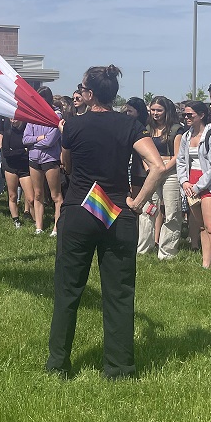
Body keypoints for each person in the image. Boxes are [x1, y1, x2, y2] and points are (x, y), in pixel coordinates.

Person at [46, 65, 165, 379]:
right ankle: (120, 368)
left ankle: (58, 364)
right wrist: (137, 203)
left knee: (68, 290)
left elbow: (66, 164)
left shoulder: (71, 126)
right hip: (117, 213)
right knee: (119, 293)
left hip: (78, 211)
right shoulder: (130, 124)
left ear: (88, 93)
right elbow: (157, 166)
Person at [177, 101, 211, 276]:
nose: (186, 117)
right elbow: (181, 162)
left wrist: (198, 186)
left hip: (209, 186)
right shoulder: (186, 136)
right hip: (191, 185)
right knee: (201, 227)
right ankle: (206, 263)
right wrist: (184, 182)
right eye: (184, 115)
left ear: (201, 115)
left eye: (189, 115)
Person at [137, 96, 182, 259]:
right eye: (153, 110)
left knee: (172, 211)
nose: (155, 113)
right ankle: (143, 248)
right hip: (152, 170)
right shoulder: (147, 128)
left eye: (159, 110)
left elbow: (178, 156)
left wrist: (162, 169)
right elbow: (143, 152)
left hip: (170, 171)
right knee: (147, 209)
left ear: (166, 111)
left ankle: (167, 252)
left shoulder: (177, 129)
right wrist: (148, 167)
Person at [23, 87, 63, 237]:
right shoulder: (33, 116)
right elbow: (25, 139)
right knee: (38, 194)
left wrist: (34, 142)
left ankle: (56, 228)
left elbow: (51, 141)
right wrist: (38, 139)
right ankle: (38, 227)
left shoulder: (56, 116)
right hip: (34, 159)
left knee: (55, 195)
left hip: (50, 159)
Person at [1, 117, 34, 228]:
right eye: (10, 119)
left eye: (15, 119)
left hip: (24, 168)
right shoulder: (8, 133)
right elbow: (5, 153)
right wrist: (22, 151)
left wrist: (15, 152)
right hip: (11, 167)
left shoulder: (27, 132)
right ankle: (16, 220)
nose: (13, 121)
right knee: (12, 195)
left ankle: (36, 221)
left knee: (31, 198)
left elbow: (30, 151)